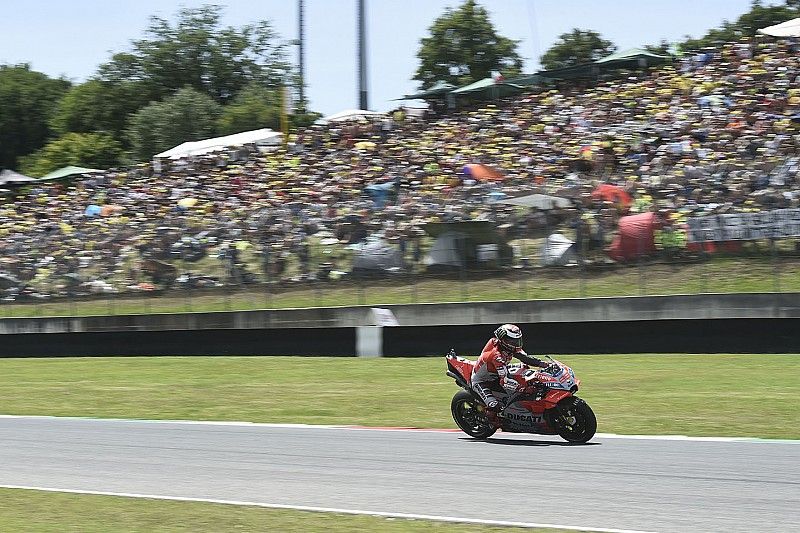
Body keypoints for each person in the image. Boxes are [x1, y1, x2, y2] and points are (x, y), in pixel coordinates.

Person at [471, 324, 549, 419]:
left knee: (525, 371)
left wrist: (544, 364)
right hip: (482, 381)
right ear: (503, 341)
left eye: (518, 340)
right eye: (513, 341)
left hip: (497, 372)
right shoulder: (497, 356)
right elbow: (504, 382)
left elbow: (525, 358)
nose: (517, 344)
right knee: (494, 406)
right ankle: (491, 420)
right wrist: (523, 389)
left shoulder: (506, 347)